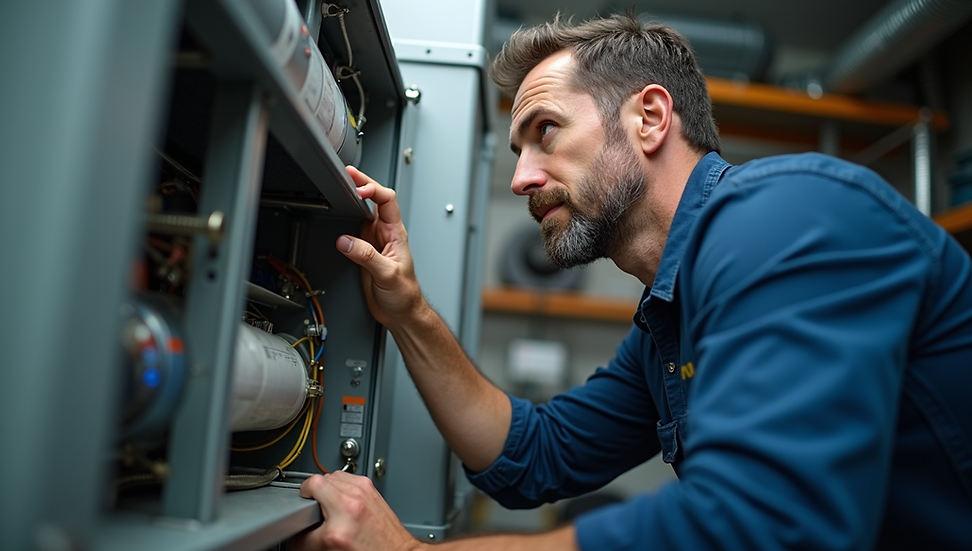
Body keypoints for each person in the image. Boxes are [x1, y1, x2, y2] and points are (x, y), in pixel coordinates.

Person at [292, 12, 972, 551]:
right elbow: (534, 455)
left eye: (545, 131)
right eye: (517, 150)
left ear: (649, 118)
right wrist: (408, 310)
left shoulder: (786, 217)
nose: (521, 177)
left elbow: (762, 525)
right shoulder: (665, 322)